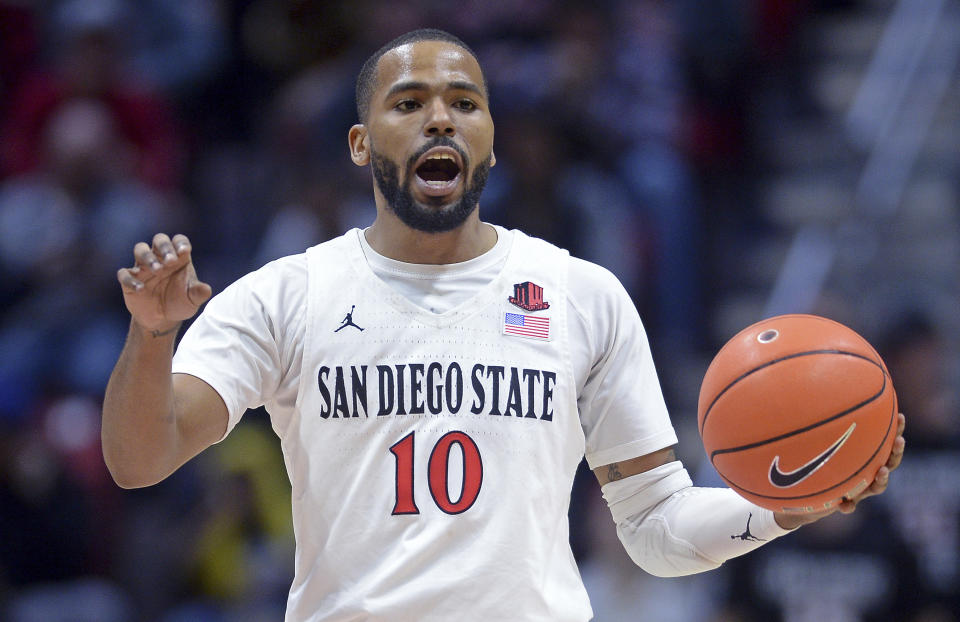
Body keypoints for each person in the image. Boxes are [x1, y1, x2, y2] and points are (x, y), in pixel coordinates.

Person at [102, 28, 906, 622]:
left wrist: (781, 507)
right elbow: (140, 458)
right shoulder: (286, 294)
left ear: (490, 141)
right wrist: (149, 336)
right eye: (408, 104)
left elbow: (655, 530)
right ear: (359, 143)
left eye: (465, 104)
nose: (440, 120)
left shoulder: (583, 295)